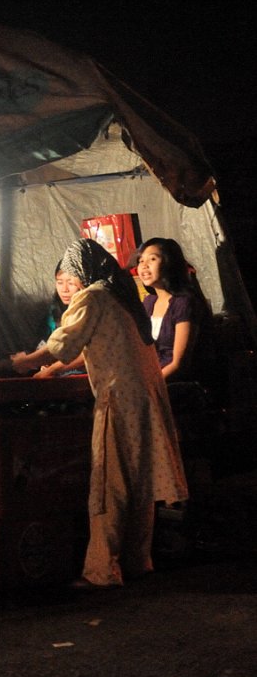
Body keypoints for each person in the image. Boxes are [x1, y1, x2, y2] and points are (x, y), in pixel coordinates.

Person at [11, 238, 188, 588]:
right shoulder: (121, 296)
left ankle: (102, 570)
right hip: (146, 397)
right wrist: (51, 369)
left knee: (110, 482)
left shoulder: (93, 296)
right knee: (140, 482)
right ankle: (139, 561)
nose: (69, 284)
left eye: (72, 276)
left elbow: (62, 343)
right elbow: (89, 344)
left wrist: (22, 362)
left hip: (119, 397)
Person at [135, 237, 211, 383]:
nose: (144, 266)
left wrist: (151, 387)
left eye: (152, 259)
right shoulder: (149, 302)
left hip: (177, 384)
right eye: (141, 261)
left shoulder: (184, 303)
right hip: (153, 377)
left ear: (169, 264)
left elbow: (179, 364)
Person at [35, 260, 86, 378]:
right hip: (58, 373)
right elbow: (45, 342)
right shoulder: (54, 310)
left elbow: (86, 354)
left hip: (82, 375)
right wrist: (44, 363)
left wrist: (52, 369)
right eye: (60, 282)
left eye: (71, 283)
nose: (65, 289)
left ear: (82, 283)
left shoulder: (87, 308)